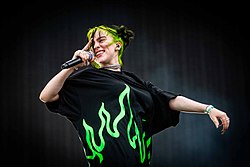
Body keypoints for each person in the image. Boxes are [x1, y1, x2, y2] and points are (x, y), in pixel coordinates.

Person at [39, 24, 230, 167]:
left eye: (101, 40)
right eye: (92, 42)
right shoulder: (86, 79)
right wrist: (73, 67)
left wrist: (208, 109)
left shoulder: (136, 83)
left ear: (118, 45)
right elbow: (46, 96)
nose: (95, 46)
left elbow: (170, 100)